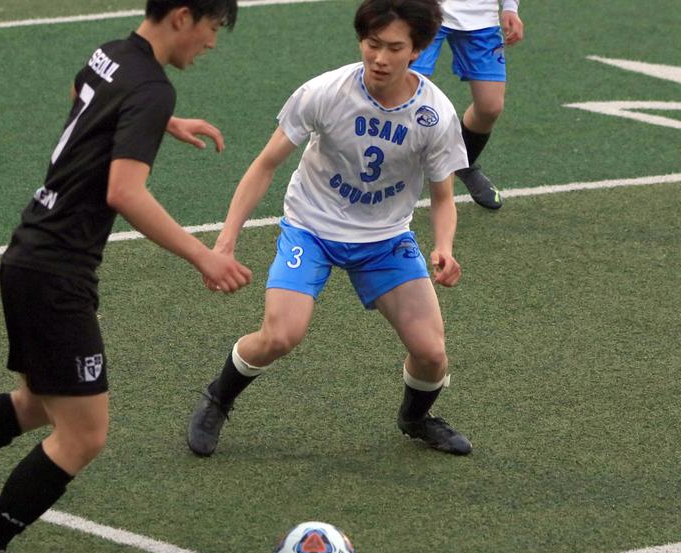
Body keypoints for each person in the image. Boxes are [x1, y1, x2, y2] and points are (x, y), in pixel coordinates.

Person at [0, 1, 251, 553]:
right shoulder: (152, 85)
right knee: (84, 435)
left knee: (39, 404)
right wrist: (202, 256)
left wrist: (157, 124)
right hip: (57, 273)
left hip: (29, 254)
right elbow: (125, 193)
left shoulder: (112, 55)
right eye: (212, 28)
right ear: (183, 17)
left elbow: (81, 98)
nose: (212, 42)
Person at [187, 0, 473, 459]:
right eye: (371, 43)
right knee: (282, 335)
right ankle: (218, 397)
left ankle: (415, 418)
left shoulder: (434, 116)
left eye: (393, 48)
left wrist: (444, 246)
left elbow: (443, 197)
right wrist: (226, 239)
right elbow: (265, 165)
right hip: (311, 228)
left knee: (432, 353)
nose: (379, 57)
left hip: (384, 240)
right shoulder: (325, 92)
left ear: (417, 50)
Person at [410, 0, 524, 209]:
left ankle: (463, 162)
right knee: (407, 95)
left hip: (481, 17)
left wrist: (510, 8)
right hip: (424, 10)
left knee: (490, 107)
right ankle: (381, 178)